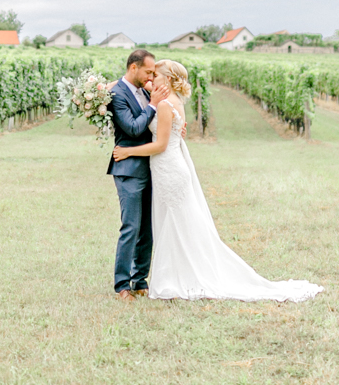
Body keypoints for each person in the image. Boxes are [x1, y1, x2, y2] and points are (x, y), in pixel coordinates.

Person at [113, 59, 323, 302]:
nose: (151, 80)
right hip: (171, 168)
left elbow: (160, 144)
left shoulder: (162, 105)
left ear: (168, 80)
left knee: (172, 223)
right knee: (178, 223)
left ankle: (176, 278)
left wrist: (128, 152)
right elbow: (171, 131)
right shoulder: (175, 102)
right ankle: (179, 274)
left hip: (167, 168)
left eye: (156, 76)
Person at [106, 49, 170, 301]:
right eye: (148, 71)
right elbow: (132, 129)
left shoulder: (145, 91)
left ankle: (140, 278)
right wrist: (153, 105)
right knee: (131, 226)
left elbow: (155, 125)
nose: (151, 76)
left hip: (153, 166)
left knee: (147, 228)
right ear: (134, 67)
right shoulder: (117, 94)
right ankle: (122, 285)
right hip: (128, 169)